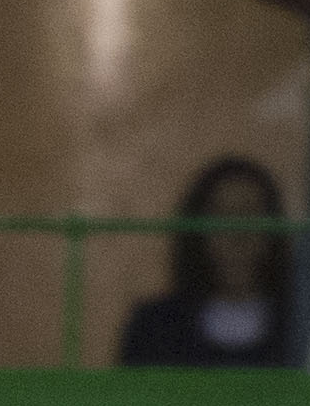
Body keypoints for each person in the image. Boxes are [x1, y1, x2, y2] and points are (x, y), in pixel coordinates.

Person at [118, 158, 292, 369]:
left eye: (250, 216)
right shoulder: (155, 328)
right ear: (197, 233)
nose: (237, 235)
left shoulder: (307, 330)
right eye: (223, 218)